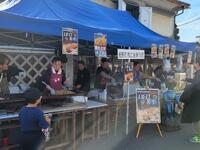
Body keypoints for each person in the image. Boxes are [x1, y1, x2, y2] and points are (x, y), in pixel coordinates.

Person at [180, 63, 200, 143]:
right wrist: (188, 80)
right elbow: (196, 82)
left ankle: (199, 137)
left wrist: (188, 87)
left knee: (197, 119)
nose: (193, 64)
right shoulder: (198, 73)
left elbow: (196, 85)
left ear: (198, 64)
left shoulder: (199, 73)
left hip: (197, 100)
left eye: (195, 63)